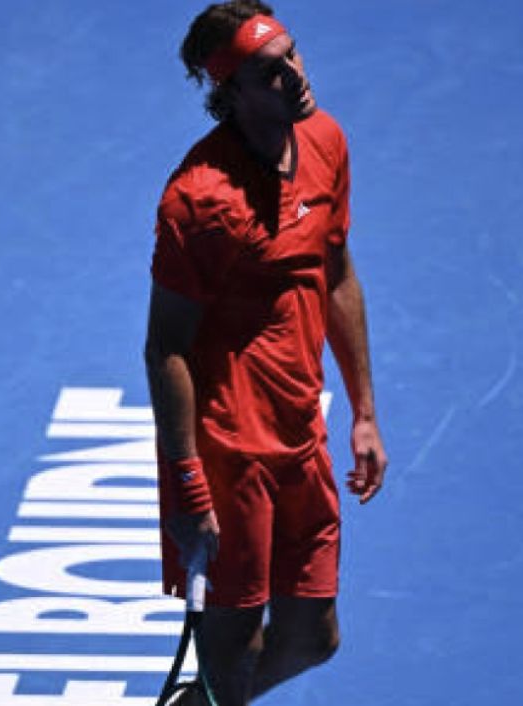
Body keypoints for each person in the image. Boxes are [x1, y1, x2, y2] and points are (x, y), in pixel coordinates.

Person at [144, 2, 388, 704]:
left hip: (299, 428)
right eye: (268, 71)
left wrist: (364, 411)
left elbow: (336, 274)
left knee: (315, 636)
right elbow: (165, 348)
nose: (293, 75)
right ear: (232, 95)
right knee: (236, 647)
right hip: (227, 452)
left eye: (293, 54)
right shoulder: (197, 200)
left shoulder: (327, 143)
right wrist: (189, 482)